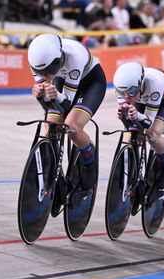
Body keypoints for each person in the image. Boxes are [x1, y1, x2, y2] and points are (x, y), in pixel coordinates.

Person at [27, 33, 106, 192]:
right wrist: (41, 95)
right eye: (41, 72)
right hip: (63, 79)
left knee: (72, 127)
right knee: (50, 127)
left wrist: (54, 96)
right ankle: (55, 172)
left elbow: (67, 104)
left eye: (49, 70)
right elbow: (48, 107)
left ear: (60, 57)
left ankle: (89, 160)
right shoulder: (37, 61)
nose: (46, 75)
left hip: (91, 83)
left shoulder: (74, 56)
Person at [113, 62, 164, 197]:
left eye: (132, 91)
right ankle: (130, 175)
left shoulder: (154, 83)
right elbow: (126, 118)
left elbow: (148, 122)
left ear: (140, 83)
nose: (127, 96)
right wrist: (123, 115)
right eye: (123, 93)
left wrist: (136, 115)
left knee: (152, 133)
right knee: (129, 134)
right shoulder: (123, 88)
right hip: (142, 100)